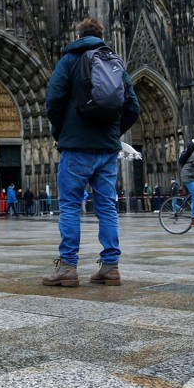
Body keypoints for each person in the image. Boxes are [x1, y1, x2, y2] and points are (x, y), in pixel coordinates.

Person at [43, 18, 140, 287]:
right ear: (101, 35)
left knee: (71, 205)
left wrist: (62, 130)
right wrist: (113, 133)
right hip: (107, 149)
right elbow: (133, 106)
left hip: (76, 147)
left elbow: (53, 98)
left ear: (79, 35)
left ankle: (68, 267)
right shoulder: (113, 61)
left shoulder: (70, 59)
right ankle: (110, 267)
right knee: (107, 206)